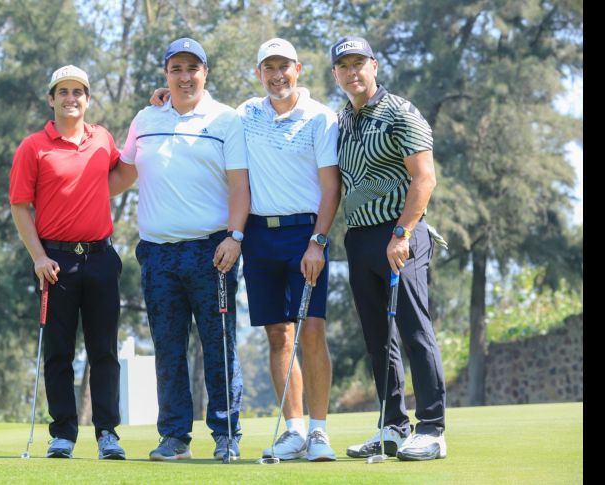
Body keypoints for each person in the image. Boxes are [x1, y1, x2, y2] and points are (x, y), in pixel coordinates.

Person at [150, 38, 341, 462]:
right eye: (268, 68)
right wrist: (165, 97)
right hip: (258, 236)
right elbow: (199, 104)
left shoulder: (320, 118)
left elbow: (331, 187)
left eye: (284, 67)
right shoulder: (244, 115)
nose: (277, 76)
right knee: (278, 334)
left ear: (299, 69)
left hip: (306, 234)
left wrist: (319, 240)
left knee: (311, 328)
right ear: (259, 74)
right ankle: (293, 431)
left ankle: (320, 431)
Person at [108, 37, 250, 461]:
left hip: (213, 251)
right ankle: (174, 438)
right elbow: (119, 177)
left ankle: (226, 436)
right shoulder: (146, 118)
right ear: (166, 74)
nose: (185, 76)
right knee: (168, 348)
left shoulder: (226, 121)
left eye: (193, 68)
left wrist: (235, 237)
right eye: (177, 69)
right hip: (157, 254)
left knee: (218, 345)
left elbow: (241, 186)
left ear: (205, 73)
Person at [330, 36, 448, 461]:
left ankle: (432, 429)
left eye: (359, 63)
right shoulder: (340, 120)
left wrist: (402, 234)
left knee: (416, 330)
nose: (352, 72)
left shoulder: (401, 112)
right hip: (358, 237)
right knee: (378, 338)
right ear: (335, 74)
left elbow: (425, 178)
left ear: (374, 66)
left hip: (401, 234)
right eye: (344, 66)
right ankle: (393, 426)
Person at [10, 65, 126, 460]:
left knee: (104, 351)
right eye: (63, 92)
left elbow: (119, 176)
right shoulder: (33, 147)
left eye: (78, 91)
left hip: (100, 257)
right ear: (51, 98)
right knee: (58, 352)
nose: (71, 98)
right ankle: (62, 434)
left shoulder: (103, 139)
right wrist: (38, 256)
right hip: (54, 261)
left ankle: (108, 432)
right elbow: (20, 206)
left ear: (88, 98)